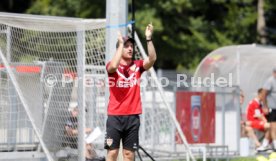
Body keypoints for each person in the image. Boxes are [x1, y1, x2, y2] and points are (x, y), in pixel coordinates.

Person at [104, 23, 156, 161]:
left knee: (129, 154)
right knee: (112, 153)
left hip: (132, 117)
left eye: (131, 46)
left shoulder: (137, 66)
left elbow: (152, 59)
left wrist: (149, 39)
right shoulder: (111, 65)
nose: (130, 48)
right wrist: (120, 44)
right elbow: (114, 66)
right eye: (127, 46)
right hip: (115, 116)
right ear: (120, 49)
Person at [263, 67, 276, 151]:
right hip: (272, 107)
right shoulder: (270, 81)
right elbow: (264, 94)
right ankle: (275, 143)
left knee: (272, 126)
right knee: (273, 126)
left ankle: (264, 144)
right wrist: (265, 106)